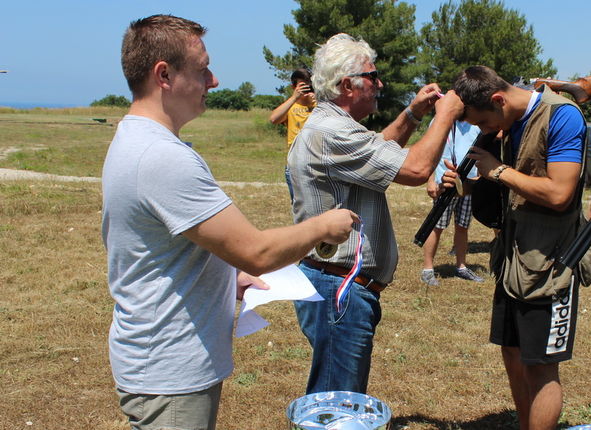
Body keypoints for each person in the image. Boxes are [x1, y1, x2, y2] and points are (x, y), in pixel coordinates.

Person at [102, 15, 357, 430]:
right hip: (170, 371)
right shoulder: (163, 158)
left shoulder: (136, 139)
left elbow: (161, 247)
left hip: (158, 359)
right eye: (202, 69)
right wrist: (323, 226)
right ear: (163, 75)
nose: (214, 79)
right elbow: (255, 251)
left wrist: (225, 278)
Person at [288, 33, 464, 395]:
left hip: (336, 284)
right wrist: (444, 117)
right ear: (346, 85)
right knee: (336, 403)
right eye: (373, 76)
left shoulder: (334, 127)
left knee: (335, 392)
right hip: (340, 288)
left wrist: (414, 113)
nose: (380, 83)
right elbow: (415, 170)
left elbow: (378, 148)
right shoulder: (333, 131)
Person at [451, 65, 586, 430]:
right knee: (512, 352)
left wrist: (496, 170)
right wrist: (468, 186)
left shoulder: (563, 116)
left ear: (498, 99)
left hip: (551, 263)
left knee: (542, 365)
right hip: (512, 258)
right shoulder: (505, 124)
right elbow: (507, 195)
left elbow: (560, 193)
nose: (482, 131)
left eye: (481, 122)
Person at [420, 120, 484, 286]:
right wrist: (430, 181)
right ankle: (427, 269)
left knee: (463, 226)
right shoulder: (441, 119)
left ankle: (461, 266)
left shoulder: (476, 122)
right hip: (445, 183)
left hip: (469, 183)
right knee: (437, 226)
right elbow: (431, 152)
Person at [269, 68, 316, 202]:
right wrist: (294, 97)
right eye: (302, 86)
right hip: (295, 165)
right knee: (298, 208)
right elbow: (273, 119)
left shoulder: (319, 106)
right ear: (293, 87)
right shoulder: (291, 107)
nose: (307, 90)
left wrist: (316, 104)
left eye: (309, 86)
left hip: (316, 165)